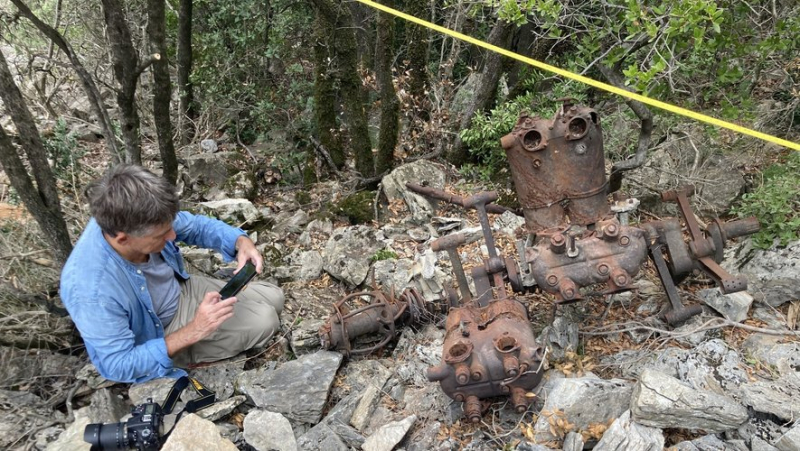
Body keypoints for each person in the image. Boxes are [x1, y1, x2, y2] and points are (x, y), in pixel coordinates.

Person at [60, 164, 284, 383]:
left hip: (182, 288)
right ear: (123, 238)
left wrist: (239, 241)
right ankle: (185, 359)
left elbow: (196, 226)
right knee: (266, 321)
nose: (172, 236)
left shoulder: (138, 213)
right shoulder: (90, 288)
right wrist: (195, 330)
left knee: (275, 297)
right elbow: (117, 364)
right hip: (161, 330)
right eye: (161, 235)